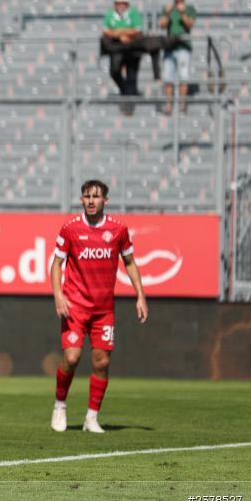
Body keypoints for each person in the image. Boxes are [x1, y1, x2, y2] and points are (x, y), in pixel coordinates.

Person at [49, 179, 148, 435]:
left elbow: (130, 262)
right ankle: (60, 405)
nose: (91, 200)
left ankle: (91, 418)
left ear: (106, 200)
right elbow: (57, 265)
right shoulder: (70, 228)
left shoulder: (118, 230)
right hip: (76, 305)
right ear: (81, 200)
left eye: (96, 196)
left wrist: (141, 295)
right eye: (86, 196)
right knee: (71, 357)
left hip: (104, 310)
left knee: (101, 363)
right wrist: (58, 294)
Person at [159, 0, 196, 115]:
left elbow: (190, 24)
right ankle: (168, 105)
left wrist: (182, 13)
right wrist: (168, 13)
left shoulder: (189, 9)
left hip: (183, 47)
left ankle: (182, 104)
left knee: (183, 77)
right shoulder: (168, 9)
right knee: (168, 77)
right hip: (170, 47)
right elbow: (162, 25)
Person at [102, 0, 143, 100]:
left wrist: (119, 32)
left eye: (123, 3)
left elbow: (138, 29)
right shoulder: (110, 13)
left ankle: (130, 99)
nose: (121, 6)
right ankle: (126, 92)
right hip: (117, 48)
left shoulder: (133, 12)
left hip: (132, 48)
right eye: (118, 3)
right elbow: (106, 31)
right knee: (114, 71)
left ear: (127, 4)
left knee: (131, 74)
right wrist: (121, 35)